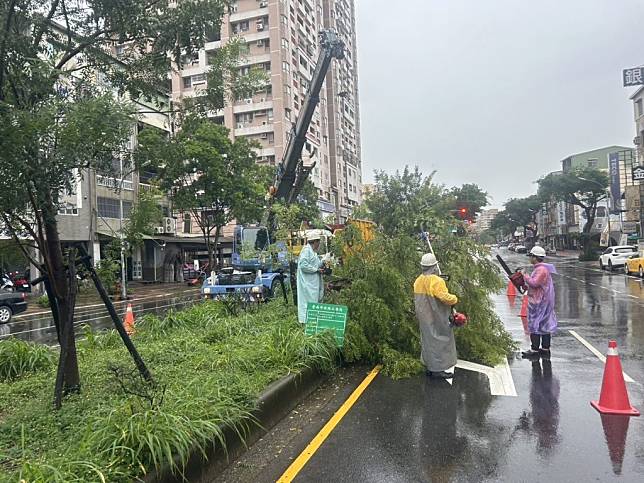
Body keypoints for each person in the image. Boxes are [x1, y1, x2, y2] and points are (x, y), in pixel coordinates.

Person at [414, 253, 459, 379]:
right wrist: (454, 298)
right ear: (434, 266)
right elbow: (445, 298)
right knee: (440, 340)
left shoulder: (418, 280)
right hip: (437, 317)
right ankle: (438, 369)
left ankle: (429, 366)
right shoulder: (436, 281)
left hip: (423, 317)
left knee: (428, 340)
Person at [521, 245, 558, 358]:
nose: (530, 258)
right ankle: (545, 348)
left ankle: (535, 349)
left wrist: (524, 275)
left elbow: (535, 283)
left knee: (535, 325)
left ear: (535, 257)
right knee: (543, 325)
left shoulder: (541, 270)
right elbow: (537, 286)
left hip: (540, 302)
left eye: (531, 256)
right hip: (542, 300)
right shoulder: (541, 268)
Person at [296, 233, 325, 324]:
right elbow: (303, 265)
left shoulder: (313, 252)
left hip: (313, 284)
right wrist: (316, 270)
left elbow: (316, 264)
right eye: (318, 242)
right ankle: (306, 323)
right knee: (307, 303)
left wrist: (324, 261)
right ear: (315, 241)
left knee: (314, 302)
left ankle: (313, 323)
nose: (319, 244)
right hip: (307, 284)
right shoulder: (306, 250)